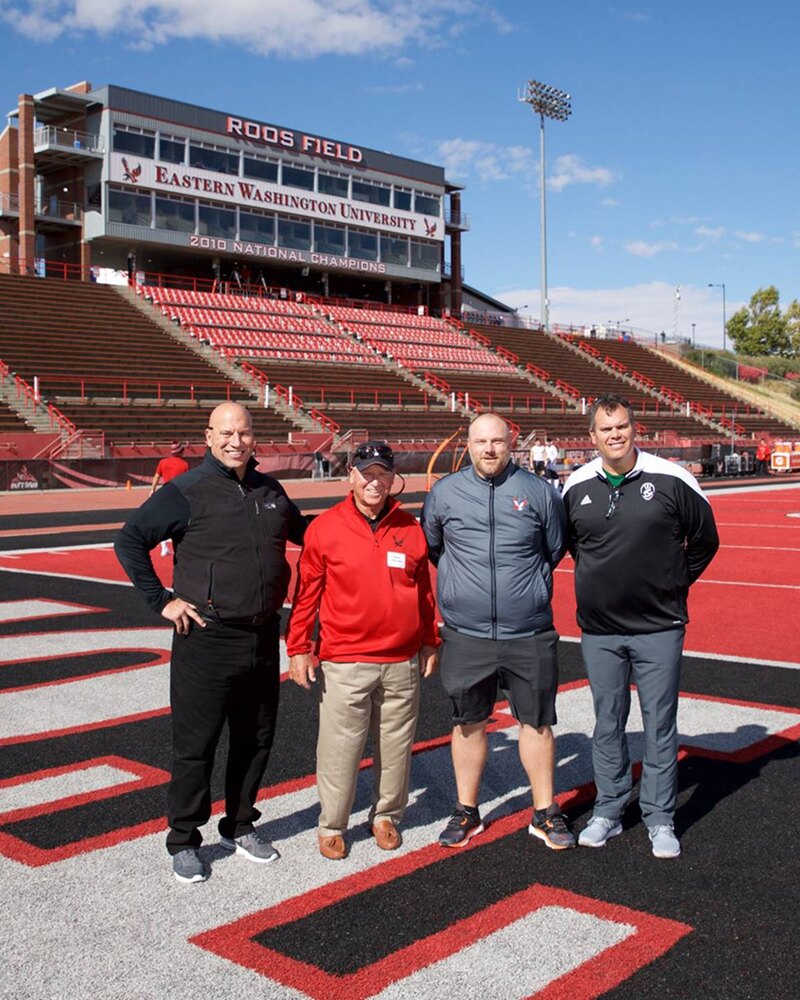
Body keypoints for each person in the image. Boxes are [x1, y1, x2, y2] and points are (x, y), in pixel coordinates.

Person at [115, 402, 306, 883]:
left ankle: (240, 825)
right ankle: (183, 839)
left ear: (254, 438)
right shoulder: (187, 490)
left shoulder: (271, 490)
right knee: (195, 745)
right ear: (209, 436)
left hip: (262, 635)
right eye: (225, 433)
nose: (235, 441)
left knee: (256, 738)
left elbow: (313, 535)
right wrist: (162, 601)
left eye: (243, 433)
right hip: (206, 636)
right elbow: (130, 540)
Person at [561, 394, 719, 859]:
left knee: (659, 724)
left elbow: (705, 540)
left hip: (659, 627)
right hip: (600, 630)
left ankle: (659, 816)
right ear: (591, 437)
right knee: (607, 722)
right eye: (606, 429)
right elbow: (573, 545)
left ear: (635, 429)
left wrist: (673, 583)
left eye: (623, 426)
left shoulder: (672, 478)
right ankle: (608, 811)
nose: (615, 435)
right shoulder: (576, 485)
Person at [421, 413, 575, 851]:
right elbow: (435, 548)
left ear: (512, 444)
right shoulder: (445, 494)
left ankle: (545, 811)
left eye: (497, 441)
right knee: (468, 722)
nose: (489, 449)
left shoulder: (540, 492)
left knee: (538, 722)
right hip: (467, 634)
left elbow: (554, 547)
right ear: (467, 445)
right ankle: (466, 810)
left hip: (527, 632)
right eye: (481, 441)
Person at [286, 442, 439, 860]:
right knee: (340, 748)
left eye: (382, 474)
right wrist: (298, 646)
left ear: (393, 479)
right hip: (345, 659)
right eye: (366, 473)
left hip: (402, 659)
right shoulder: (325, 528)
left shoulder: (410, 527)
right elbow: (306, 595)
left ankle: (387, 815)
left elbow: (424, 593)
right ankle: (332, 823)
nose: (375, 482)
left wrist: (430, 641)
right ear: (350, 476)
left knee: (396, 745)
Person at [149, 442, 189, 556]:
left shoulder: (163, 462)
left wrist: (152, 489)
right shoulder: (184, 464)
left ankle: (164, 546)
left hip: (165, 492)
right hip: (178, 494)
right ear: (181, 452)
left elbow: (157, 476)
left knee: (163, 520)